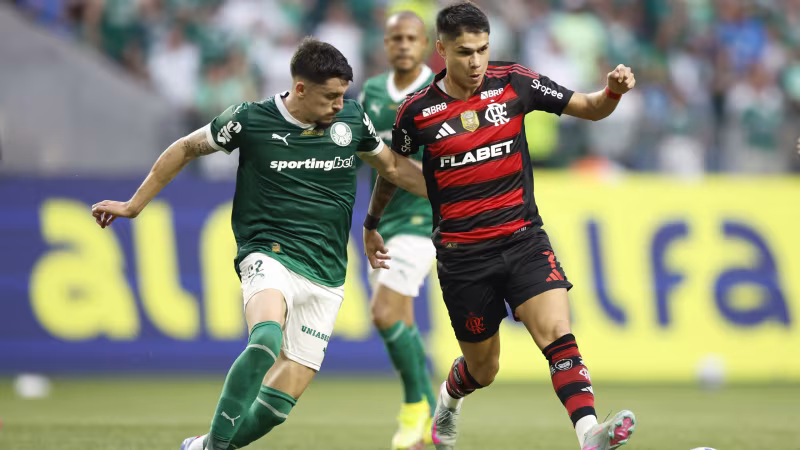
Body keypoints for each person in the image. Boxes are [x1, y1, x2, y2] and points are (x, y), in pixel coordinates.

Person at [91, 38, 427, 450]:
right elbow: (186, 148)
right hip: (269, 253)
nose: (339, 105)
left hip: (326, 273)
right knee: (266, 339)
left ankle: (203, 446)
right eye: (330, 96)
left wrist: (454, 194)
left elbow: (392, 167)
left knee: (276, 409)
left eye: (343, 95)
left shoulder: (352, 120)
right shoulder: (249, 120)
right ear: (300, 88)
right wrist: (134, 205)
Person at [362, 3, 637, 450]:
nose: (476, 62)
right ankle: (449, 399)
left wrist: (612, 92)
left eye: (483, 50)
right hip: (463, 258)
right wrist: (372, 223)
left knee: (557, 333)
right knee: (483, 369)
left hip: (524, 239)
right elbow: (393, 168)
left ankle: (589, 433)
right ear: (441, 50)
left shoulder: (514, 81)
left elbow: (589, 107)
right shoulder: (417, 111)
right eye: (464, 52)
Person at [359, 11, 437, 450]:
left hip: (424, 220)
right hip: (382, 220)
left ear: (424, 44)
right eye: (396, 38)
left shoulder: (439, 91)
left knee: (383, 312)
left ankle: (412, 411)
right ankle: (433, 419)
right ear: (386, 44)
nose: (404, 44)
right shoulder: (371, 92)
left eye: (411, 38)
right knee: (402, 321)